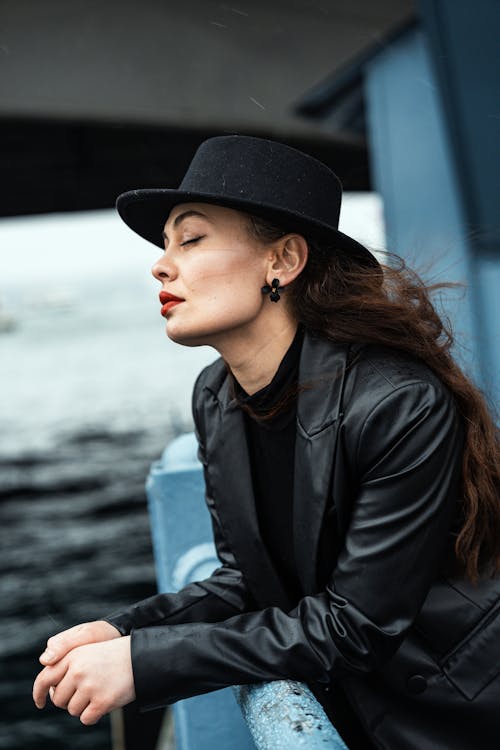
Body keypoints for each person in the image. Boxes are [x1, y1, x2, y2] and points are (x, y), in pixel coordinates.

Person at [33, 135, 500, 749]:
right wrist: (121, 632)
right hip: (356, 705)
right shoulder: (216, 397)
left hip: (454, 716)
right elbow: (246, 581)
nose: (160, 264)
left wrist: (146, 663)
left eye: (191, 239)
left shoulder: (397, 403)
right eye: (165, 244)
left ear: (282, 261)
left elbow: (358, 624)